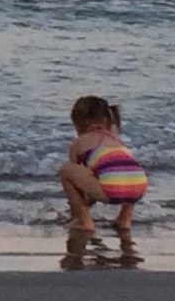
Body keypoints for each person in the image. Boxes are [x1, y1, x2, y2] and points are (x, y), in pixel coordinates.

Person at [59, 95, 147, 232]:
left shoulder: (78, 144)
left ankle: (82, 220)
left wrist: (78, 208)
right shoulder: (117, 141)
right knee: (126, 170)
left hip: (112, 189)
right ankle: (124, 219)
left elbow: (79, 186)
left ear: (78, 124)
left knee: (66, 170)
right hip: (138, 187)